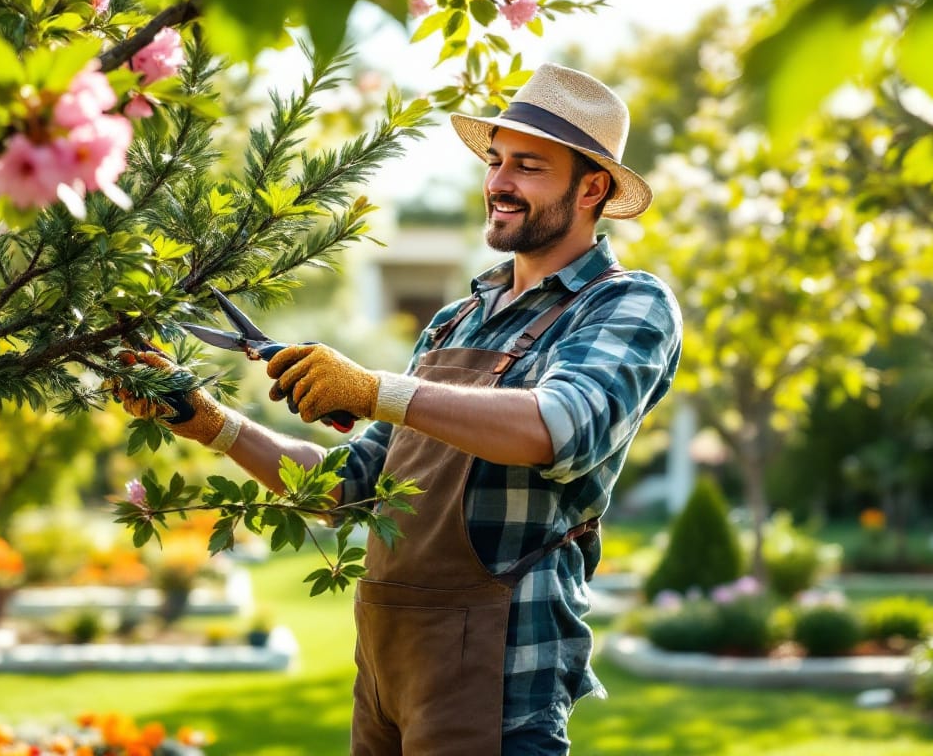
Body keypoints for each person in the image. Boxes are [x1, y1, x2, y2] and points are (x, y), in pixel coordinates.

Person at [117, 63, 682, 756]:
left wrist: (375, 390)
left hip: (500, 685)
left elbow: (557, 427)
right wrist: (212, 423)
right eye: (496, 161)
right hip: (387, 674)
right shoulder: (453, 322)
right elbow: (346, 488)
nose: (499, 183)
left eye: (528, 166)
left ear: (592, 186)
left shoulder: (626, 304)